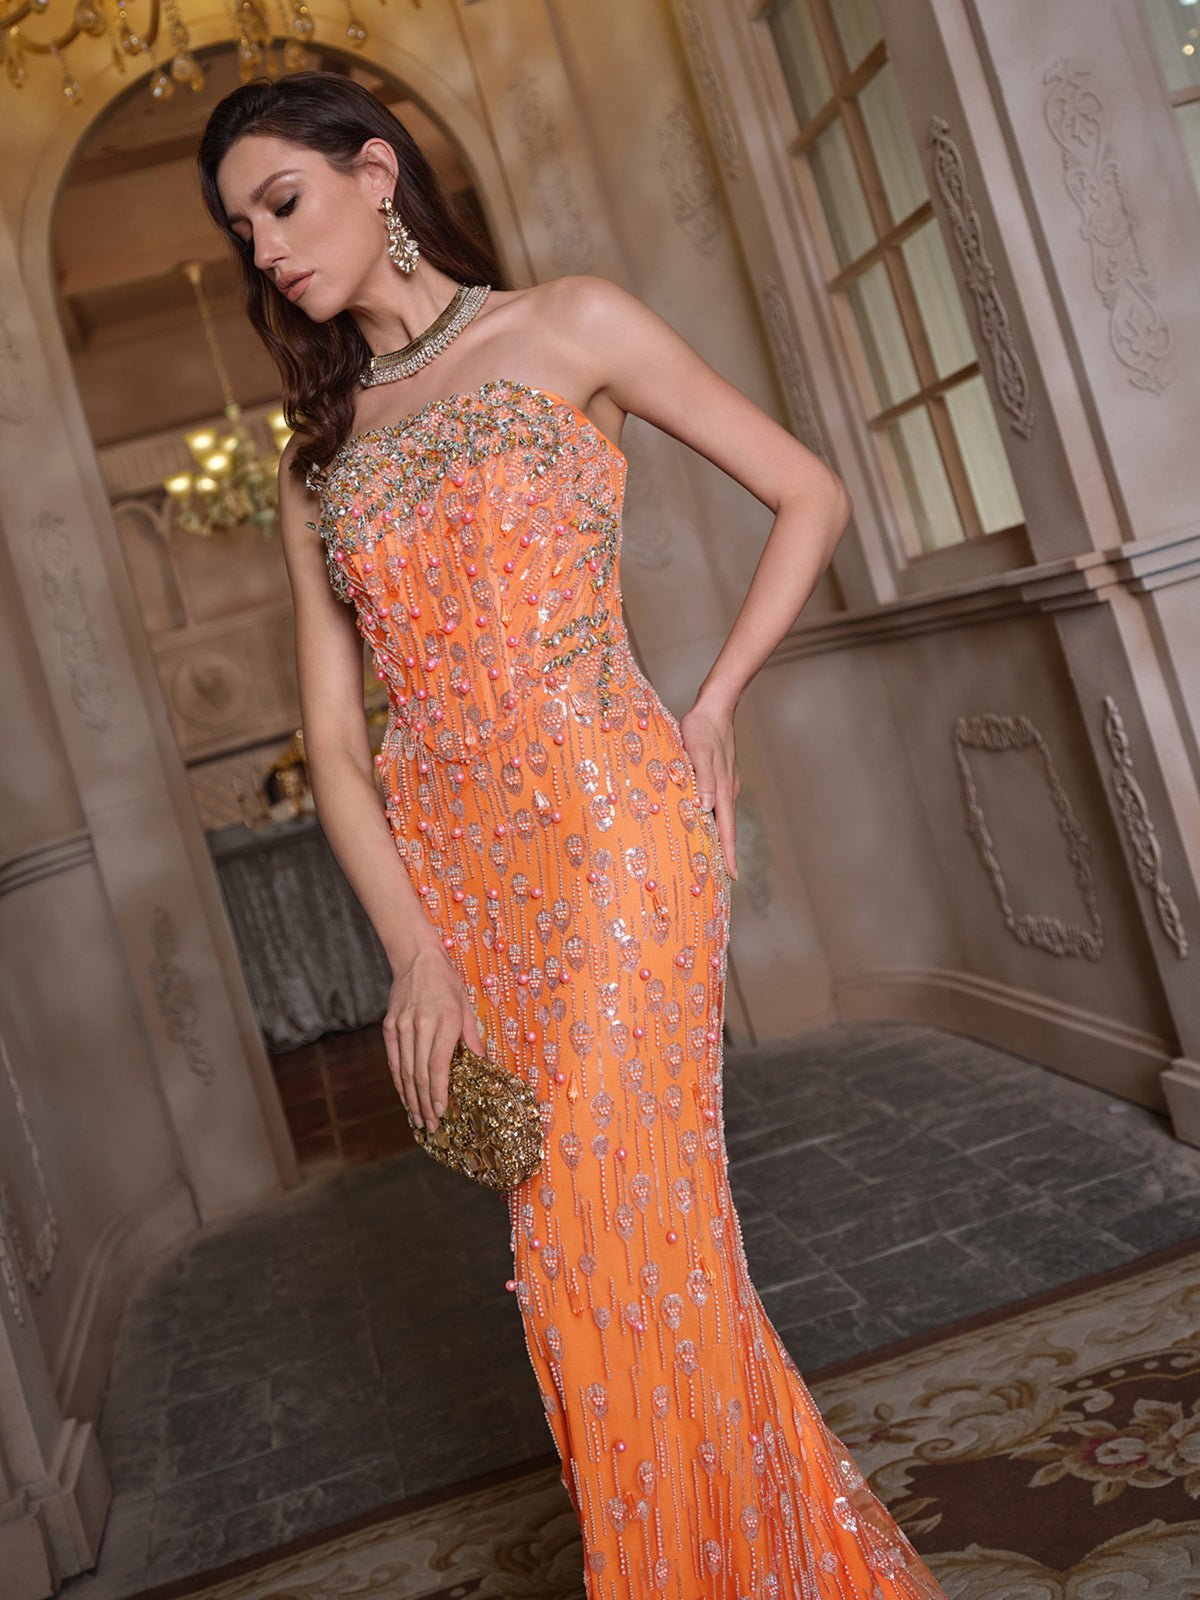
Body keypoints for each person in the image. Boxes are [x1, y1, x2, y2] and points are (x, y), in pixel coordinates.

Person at [199, 69, 948, 1600]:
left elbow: (806, 492)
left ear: (377, 174)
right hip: (463, 895)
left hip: (618, 832)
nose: (267, 249)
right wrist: (415, 952)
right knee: (628, 1267)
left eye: (283, 202)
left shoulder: (570, 323)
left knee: (593, 1251)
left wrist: (717, 703)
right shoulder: (314, 459)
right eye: (242, 232)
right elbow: (337, 750)